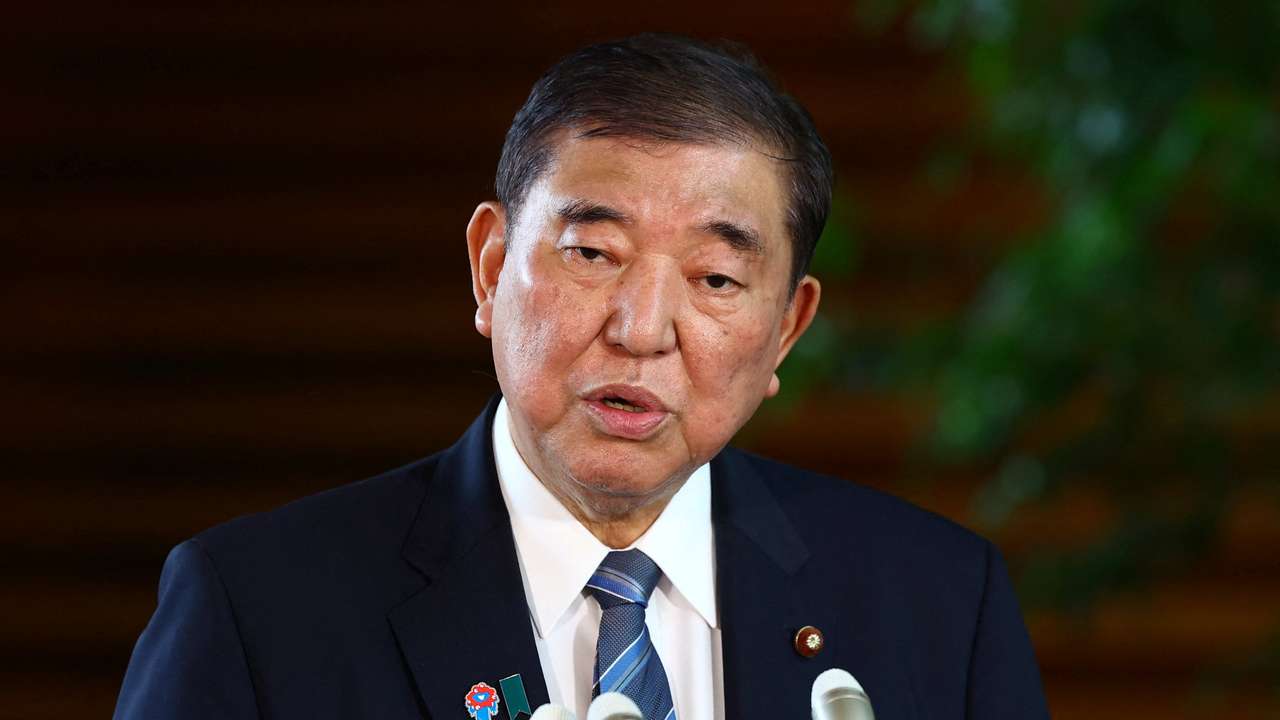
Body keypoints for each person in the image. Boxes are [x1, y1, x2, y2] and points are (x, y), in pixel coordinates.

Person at [114, 34, 1049, 720]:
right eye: (593, 254)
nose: (641, 331)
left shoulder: (936, 605)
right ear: (490, 268)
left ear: (786, 331)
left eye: (716, 279)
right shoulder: (256, 613)